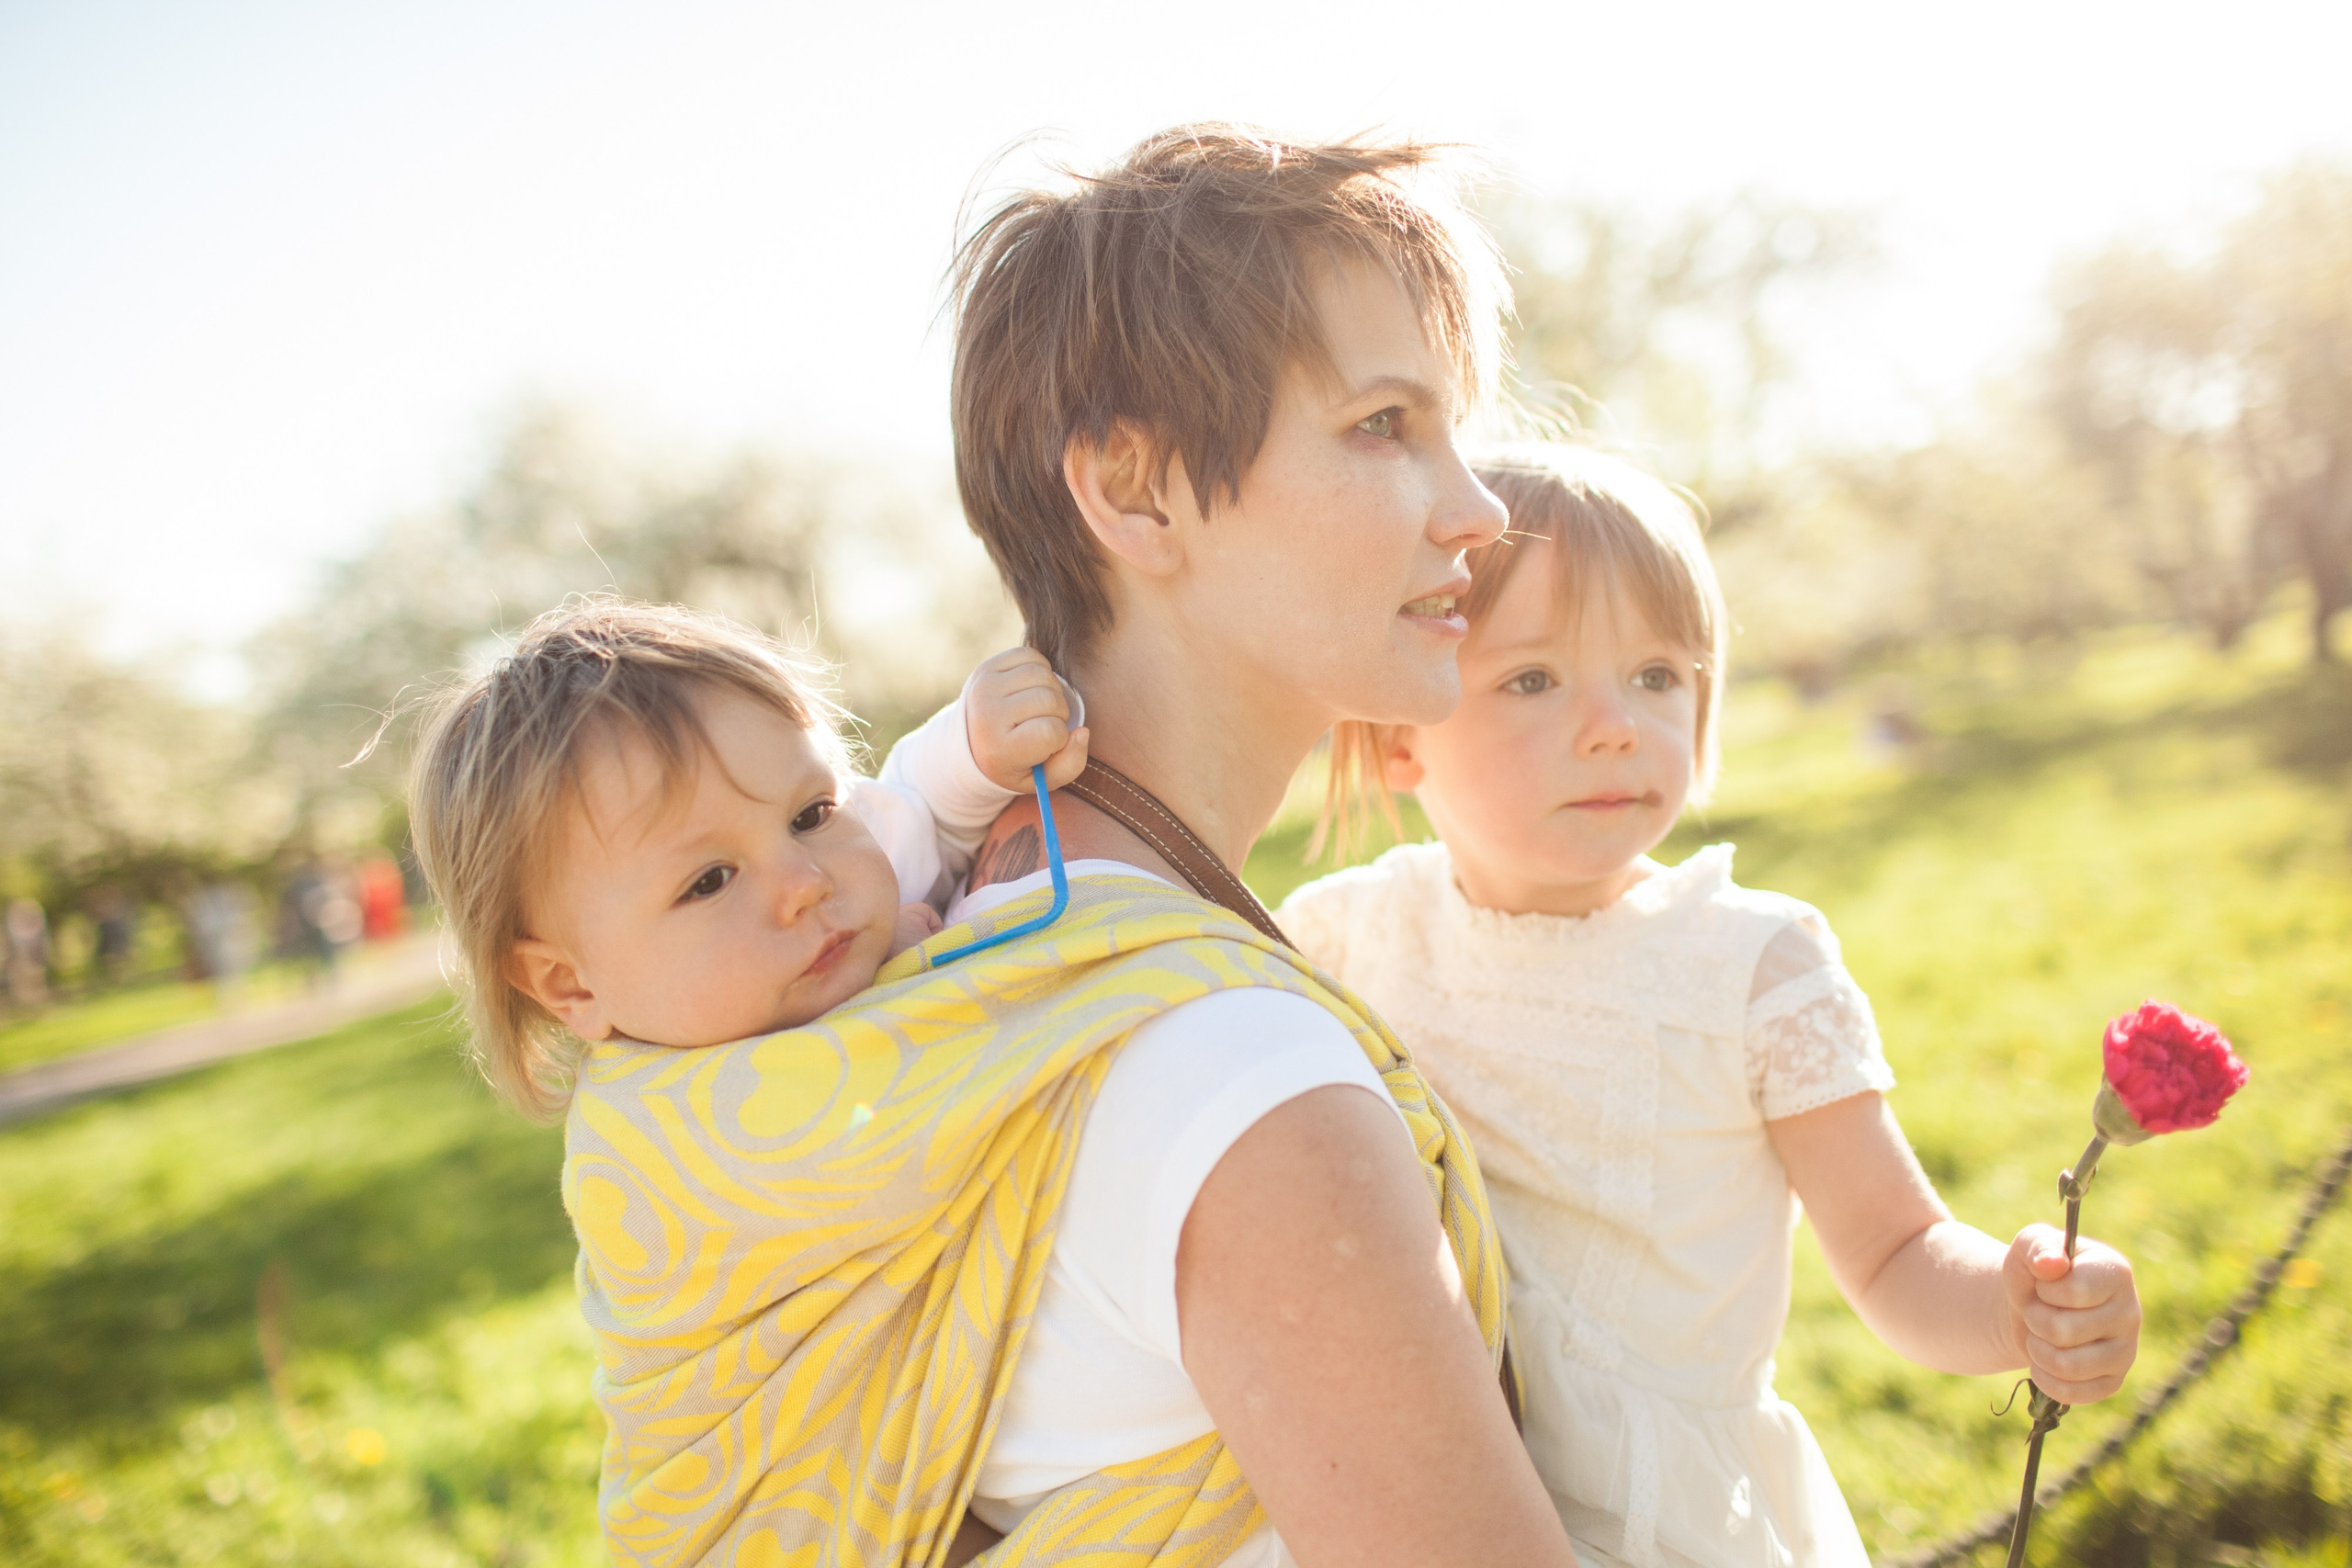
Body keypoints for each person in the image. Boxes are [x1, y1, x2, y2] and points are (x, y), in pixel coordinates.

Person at [1278, 445, 2145, 1567]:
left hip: (1660, 1523)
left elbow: (1890, 1248)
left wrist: (2011, 1306)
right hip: (1409, 1484)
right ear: (1399, 729)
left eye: (1656, 675)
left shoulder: (1745, 965)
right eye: (1532, 679)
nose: (1613, 725)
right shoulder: (1344, 934)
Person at [404, 597, 1083, 1108]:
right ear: (571, 983)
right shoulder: (665, 1148)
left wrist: (972, 755)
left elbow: (916, 809)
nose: (805, 882)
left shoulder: (857, 882)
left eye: (810, 813)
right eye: (710, 881)